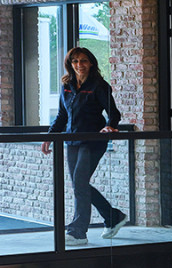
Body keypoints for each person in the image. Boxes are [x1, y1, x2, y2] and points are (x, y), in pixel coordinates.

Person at [40, 47, 128, 247]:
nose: (79, 65)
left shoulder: (99, 86)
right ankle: (112, 216)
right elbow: (62, 116)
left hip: (92, 141)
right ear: (70, 64)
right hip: (72, 141)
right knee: (79, 185)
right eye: (75, 61)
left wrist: (110, 126)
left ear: (91, 63)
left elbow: (114, 113)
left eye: (84, 61)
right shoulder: (67, 86)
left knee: (79, 183)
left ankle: (78, 232)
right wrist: (49, 137)